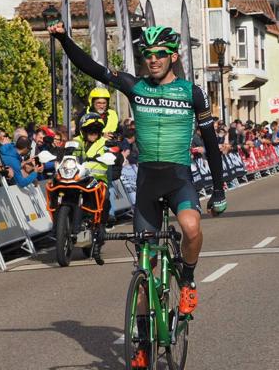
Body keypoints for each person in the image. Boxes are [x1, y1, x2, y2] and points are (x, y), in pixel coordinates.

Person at [49, 23, 226, 337]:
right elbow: (91, 67)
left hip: (178, 178)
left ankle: (187, 279)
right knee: (145, 267)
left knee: (191, 227)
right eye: (148, 54)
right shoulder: (134, 86)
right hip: (146, 182)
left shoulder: (191, 93)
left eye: (160, 54)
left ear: (172, 56)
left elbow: (211, 144)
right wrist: (64, 39)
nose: (153, 59)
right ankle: (143, 339)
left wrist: (219, 189)